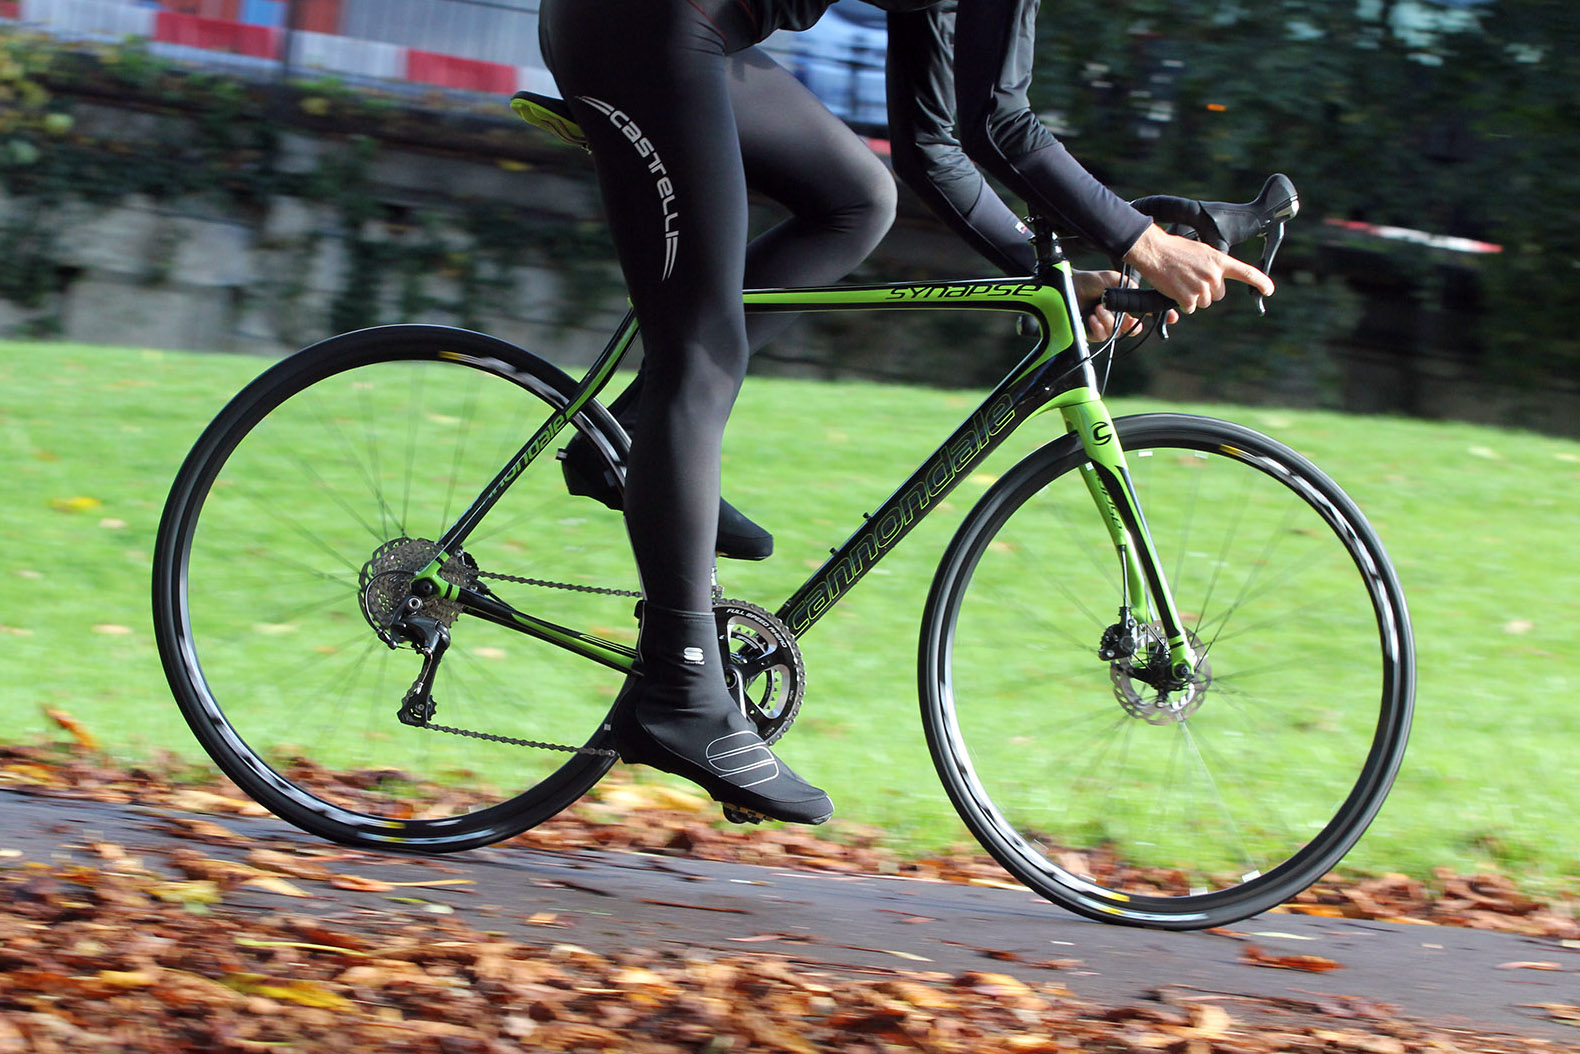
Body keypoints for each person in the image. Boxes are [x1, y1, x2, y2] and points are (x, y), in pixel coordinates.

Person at [537, 0, 1274, 826]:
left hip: (679, 32)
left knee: (856, 198)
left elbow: (934, 144)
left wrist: (1065, 272)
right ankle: (680, 692)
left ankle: (634, 443)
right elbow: (1000, 123)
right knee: (702, 353)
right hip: (644, 26)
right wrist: (1143, 242)